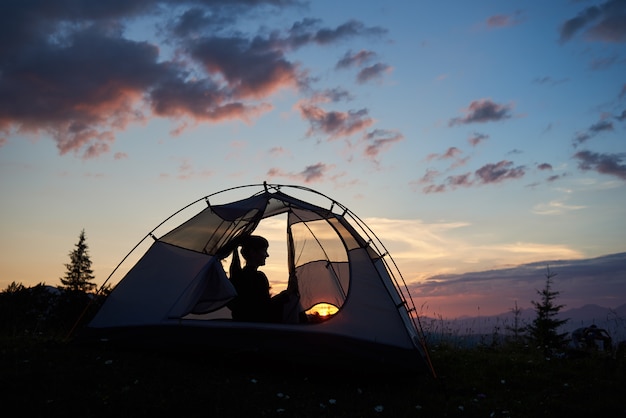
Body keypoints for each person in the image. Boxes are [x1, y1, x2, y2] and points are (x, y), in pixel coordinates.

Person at [227, 235, 273, 322]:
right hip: (255, 327)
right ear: (252, 252)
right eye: (264, 251)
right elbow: (264, 308)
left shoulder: (237, 276)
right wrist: (286, 294)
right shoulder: (258, 277)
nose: (267, 255)